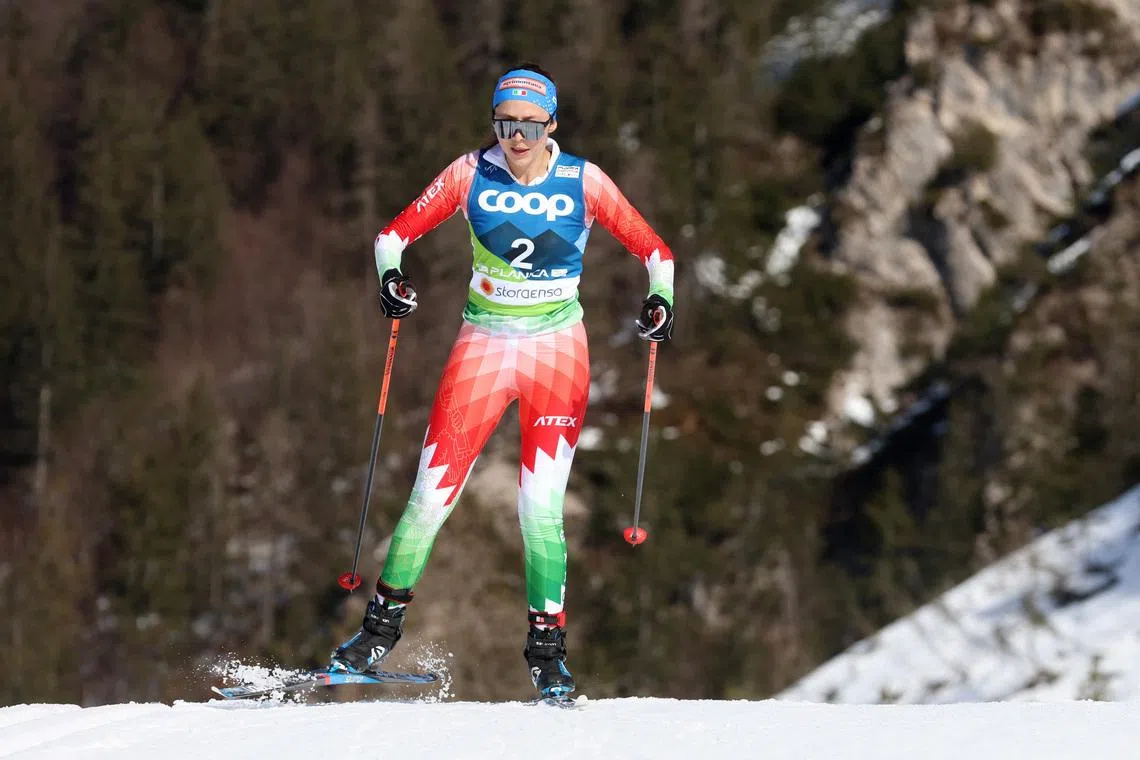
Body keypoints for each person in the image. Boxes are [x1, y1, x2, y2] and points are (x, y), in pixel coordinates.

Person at [330, 62, 675, 699]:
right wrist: (391, 281)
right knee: (430, 497)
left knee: (538, 510)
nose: (516, 137)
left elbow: (657, 252)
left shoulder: (584, 181)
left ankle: (548, 657)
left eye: (529, 125)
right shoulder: (469, 173)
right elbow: (391, 236)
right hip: (482, 347)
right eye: (505, 123)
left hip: (557, 353)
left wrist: (660, 302)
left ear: (552, 126)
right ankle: (375, 636)